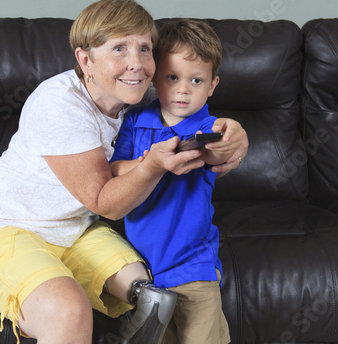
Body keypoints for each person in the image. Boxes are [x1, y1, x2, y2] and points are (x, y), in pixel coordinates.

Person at [0, 1, 248, 344]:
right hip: (8, 229)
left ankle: (142, 322)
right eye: (119, 49)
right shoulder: (60, 104)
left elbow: (195, 122)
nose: (136, 64)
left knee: (147, 288)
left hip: (76, 229)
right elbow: (105, 202)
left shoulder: (135, 101)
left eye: (144, 49)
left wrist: (237, 139)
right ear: (85, 61)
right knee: (68, 309)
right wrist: (153, 165)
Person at [110, 19, 239, 344]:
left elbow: (219, 153)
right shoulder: (137, 120)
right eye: (172, 78)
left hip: (192, 266)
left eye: (196, 80)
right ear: (155, 79)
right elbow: (114, 171)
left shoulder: (208, 128)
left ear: (212, 85)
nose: (183, 89)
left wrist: (230, 140)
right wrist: (146, 165)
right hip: (143, 269)